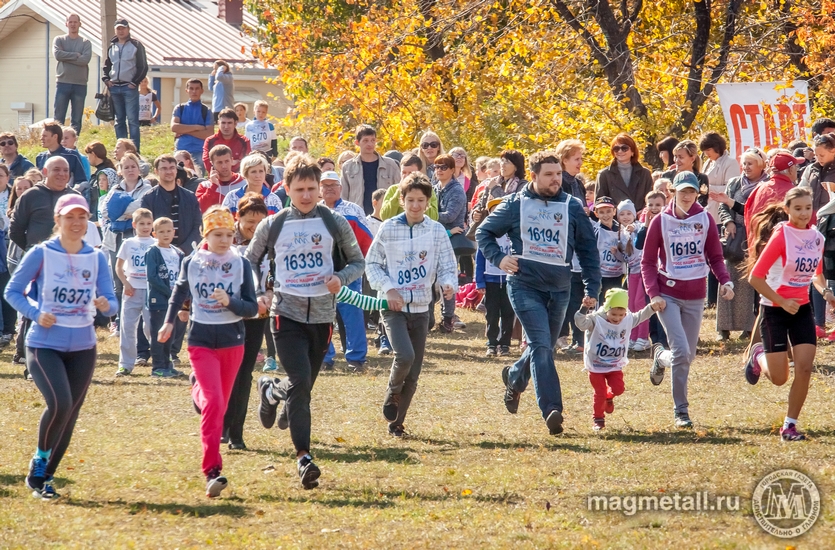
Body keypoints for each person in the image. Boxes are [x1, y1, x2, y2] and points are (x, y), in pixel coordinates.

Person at [248, 154, 365, 490]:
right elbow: (249, 261)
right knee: (301, 382)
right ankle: (304, 458)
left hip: (323, 318)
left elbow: (358, 261)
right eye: (299, 189)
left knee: (302, 385)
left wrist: (340, 278)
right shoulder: (274, 224)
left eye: (311, 189)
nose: (306, 195)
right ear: (286, 189)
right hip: (286, 315)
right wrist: (260, 293)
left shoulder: (333, 221)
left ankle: (270, 390)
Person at [477, 150, 601, 435]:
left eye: (558, 174)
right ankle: (552, 410)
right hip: (524, 285)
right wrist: (499, 259)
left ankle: (514, 376)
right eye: (549, 174)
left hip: (559, 290)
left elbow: (588, 250)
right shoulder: (515, 203)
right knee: (543, 346)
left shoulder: (572, 205)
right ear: (533, 176)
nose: (556, 179)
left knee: (539, 345)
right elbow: (484, 233)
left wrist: (591, 287)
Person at [5, 194, 117, 499]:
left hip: (83, 346)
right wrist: (35, 313)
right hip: (44, 345)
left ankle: (45, 479)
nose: (77, 223)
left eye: (82, 217)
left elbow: (111, 302)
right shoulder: (41, 253)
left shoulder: (96, 258)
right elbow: (13, 291)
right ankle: (39, 461)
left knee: (70, 414)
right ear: (58, 220)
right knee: (60, 404)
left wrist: (107, 304)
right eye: (70, 217)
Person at [158, 206, 258, 497]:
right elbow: (179, 292)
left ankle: (196, 389)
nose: (225, 240)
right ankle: (212, 470)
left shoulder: (240, 263)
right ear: (206, 234)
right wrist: (167, 322)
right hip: (201, 340)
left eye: (229, 234)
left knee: (218, 405)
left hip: (232, 341)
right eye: (218, 235)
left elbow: (251, 308)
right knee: (214, 404)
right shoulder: (192, 261)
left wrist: (231, 302)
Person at [366, 172, 457, 437]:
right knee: (404, 356)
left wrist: (448, 283)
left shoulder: (436, 230)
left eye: (420, 200)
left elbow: (447, 265)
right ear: (402, 200)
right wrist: (389, 289)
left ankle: (397, 423)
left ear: (428, 202)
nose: (415, 206)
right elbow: (372, 264)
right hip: (392, 307)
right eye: (410, 200)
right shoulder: (389, 227)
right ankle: (393, 393)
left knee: (414, 372)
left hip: (421, 308)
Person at [642, 171, 734, 429]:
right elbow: (647, 262)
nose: (686, 196)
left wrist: (725, 281)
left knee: (688, 355)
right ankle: (681, 410)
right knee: (681, 351)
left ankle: (660, 357)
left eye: (691, 191)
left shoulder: (705, 219)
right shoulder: (660, 221)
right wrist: (653, 293)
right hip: (667, 294)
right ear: (672, 192)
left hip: (695, 295)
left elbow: (716, 257)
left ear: (697, 193)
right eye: (681, 191)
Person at [745, 187, 831, 441]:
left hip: (802, 309)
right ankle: (758, 354)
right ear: (787, 210)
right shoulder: (781, 236)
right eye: (798, 208)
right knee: (780, 378)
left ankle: (789, 426)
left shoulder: (817, 238)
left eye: (808, 208)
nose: (804, 213)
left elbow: (816, 273)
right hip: (774, 310)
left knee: (804, 368)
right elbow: (755, 278)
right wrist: (781, 301)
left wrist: (826, 291)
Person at [223, 194, 271, 449]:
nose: (254, 227)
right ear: (238, 218)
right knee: (226, 372)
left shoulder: (270, 244)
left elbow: (273, 278)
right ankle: (222, 423)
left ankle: (236, 433)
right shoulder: (224, 241)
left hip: (256, 315)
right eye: (250, 221)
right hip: (226, 315)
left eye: (260, 222)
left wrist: (269, 295)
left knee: (244, 373)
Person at [575, 288, 660, 431]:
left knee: (619, 389)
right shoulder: (596, 320)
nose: (617, 318)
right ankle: (598, 419)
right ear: (606, 308)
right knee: (599, 392)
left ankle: (609, 396)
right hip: (596, 365)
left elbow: (641, 316)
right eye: (613, 314)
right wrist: (584, 308)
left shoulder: (627, 319)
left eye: (621, 314)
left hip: (614, 365)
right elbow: (581, 324)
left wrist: (652, 307)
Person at [319, 170, 374, 371]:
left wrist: (358, 264)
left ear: (341, 188)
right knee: (322, 314)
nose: (329, 189)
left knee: (352, 314)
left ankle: (356, 358)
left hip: (347, 271)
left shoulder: (353, 210)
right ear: (320, 189)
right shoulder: (314, 210)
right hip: (321, 273)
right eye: (325, 185)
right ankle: (325, 357)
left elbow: (367, 239)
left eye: (333, 185)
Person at [712, 147, 768, 340]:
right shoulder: (735, 183)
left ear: (761, 165)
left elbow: (757, 211)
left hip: (756, 236)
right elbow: (723, 206)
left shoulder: (766, 185)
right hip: (733, 236)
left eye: (750, 163)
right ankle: (723, 328)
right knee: (727, 276)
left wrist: (730, 203)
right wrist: (728, 221)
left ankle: (748, 327)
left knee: (748, 281)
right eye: (744, 163)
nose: (745, 167)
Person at [114, 208, 155, 376]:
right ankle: (125, 364)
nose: (145, 227)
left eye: (148, 224)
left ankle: (161, 360)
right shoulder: (128, 243)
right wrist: (126, 284)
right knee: (127, 327)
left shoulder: (156, 243)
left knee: (151, 327)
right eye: (141, 224)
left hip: (151, 292)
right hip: (131, 290)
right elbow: (118, 266)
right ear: (134, 225)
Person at [144, 217, 184, 378]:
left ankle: (168, 364)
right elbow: (152, 277)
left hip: (174, 301)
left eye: (169, 231)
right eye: (161, 232)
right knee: (159, 333)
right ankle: (158, 367)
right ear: (154, 234)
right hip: (159, 300)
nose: (166, 234)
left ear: (174, 232)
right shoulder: (153, 252)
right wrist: (170, 293)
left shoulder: (178, 252)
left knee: (171, 334)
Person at [475, 197, 515, 357]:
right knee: (491, 313)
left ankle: (505, 344)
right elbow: (479, 260)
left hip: (509, 280)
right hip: (490, 279)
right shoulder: (487, 235)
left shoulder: (513, 234)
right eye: (493, 211)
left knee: (508, 312)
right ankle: (491, 343)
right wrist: (479, 281)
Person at [434, 154, 468, 332]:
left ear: (453, 170)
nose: (439, 170)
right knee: (432, 278)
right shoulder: (435, 188)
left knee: (447, 279)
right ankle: (430, 317)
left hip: (451, 240)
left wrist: (428, 215)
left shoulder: (457, 190)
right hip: (436, 237)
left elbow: (450, 216)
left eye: (443, 167)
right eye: (436, 166)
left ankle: (448, 318)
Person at [102, 19, 148, 153]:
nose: (121, 31)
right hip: (115, 87)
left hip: (129, 87)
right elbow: (106, 66)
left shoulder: (136, 45)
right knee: (119, 120)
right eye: (118, 29)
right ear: (115, 30)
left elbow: (143, 66)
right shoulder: (112, 47)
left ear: (128, 29)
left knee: (133, 121)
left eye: (123, 28)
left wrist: (135, 82)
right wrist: (106, 79)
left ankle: (134, 151)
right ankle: (121, 151)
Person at [613, 199, 650, 351]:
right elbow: (626, 258)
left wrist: (634, 227)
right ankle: (633, 336)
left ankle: (643, 337)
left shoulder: (637, 227)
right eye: (622, 213)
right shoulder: (620, 233)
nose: (626, 216)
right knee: (631, 305)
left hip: (642, 272)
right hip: (632, 272)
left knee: (641, 303)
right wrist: (616, 254)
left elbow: (640, 233)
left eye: (629, 213)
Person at [340, 124, 400, 215]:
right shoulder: (348, 167)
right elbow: (343, 197)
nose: (370, 144)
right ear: (357, 142)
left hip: (384, 217)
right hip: (358, 218)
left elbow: (399, 192)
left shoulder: (391, 166)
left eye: (373, 140)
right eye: (365, 140)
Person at [53, 13, 92, 135]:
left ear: (80, 24)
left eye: (75, 22)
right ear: (66, 24)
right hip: (63, 82)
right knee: (59, 116)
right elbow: (57, 55)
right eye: (70, 22)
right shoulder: (59, 40)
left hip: (79, 84)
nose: (73, 24)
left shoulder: (85, 43)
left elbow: (85, 60)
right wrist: (75, 55)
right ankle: (57, 141)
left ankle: (73, 143)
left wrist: (66, 56)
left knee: (76, 118)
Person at [594, 133, 654, 211]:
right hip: (614, 220)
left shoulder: (645, 174)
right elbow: (599, 203)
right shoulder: (604, 175)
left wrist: (642, 213)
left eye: (624, 148)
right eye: (616, 148)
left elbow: (651, 200)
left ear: (633, 151)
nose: (620, 151)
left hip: (640, 219)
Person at [171, 79, 215, 176]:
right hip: (181, 150)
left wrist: (184, 130)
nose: (194, 91)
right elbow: (174, 127)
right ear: (187, 90)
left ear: (202, 90)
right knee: (178, 177)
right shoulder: (180, 108)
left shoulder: (206, 110)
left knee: (197, 178)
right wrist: (197, 127)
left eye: (197, 88)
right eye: (191, 88)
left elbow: (209, 134)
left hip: (199, 150)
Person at [380, 153, 439, 220]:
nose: (406, 176)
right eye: (404, 172)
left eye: (410, 173)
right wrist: (399, 191)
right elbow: (384, 217)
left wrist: (422, 195)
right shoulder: (393, 189)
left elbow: (434, 218)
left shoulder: (428, 189)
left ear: (419, 172)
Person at [699, 132, 740, 222]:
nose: (706, 153)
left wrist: (707, 188)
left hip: (722, 214)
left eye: (708, 150)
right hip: (706, 211)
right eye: (704, 151)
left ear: (717, 147)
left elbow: (731, 189)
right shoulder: (707, 163)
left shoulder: (731, 163)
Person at [35, 121, 88, 189]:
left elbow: (81, 181)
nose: (41, 138)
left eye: (44, 136)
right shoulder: (40, 157)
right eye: (41, 136)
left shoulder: (72, 155)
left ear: (55, 137)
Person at [592, 196, 624, 302]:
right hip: (602, 275)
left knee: (615, 303)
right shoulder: (595, 231)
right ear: (596, 214)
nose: (605, 215)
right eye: (601, 212)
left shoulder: (622, 229)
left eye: (608, 211)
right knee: (601, 304)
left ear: (614, 211)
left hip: (618, 274)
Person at [196, 145, 246, 212]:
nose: (224, 166)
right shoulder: (204, 186)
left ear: (232, 160)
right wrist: (213, 186)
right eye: (219, 162)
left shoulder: (244, 183)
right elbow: (199, 209)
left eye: (227, 161)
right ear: (212, 164)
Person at [203, 108, 251, 174]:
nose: (226, 126)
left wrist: (219, 165)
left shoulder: (244, 141)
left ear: (235, 123)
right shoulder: (210, 141)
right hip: (216, 179)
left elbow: (247, 162)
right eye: (223, 123)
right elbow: (207, 161)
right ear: (218, 123)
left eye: (229, 123)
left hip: (239, 180)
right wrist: (233, 163)